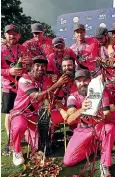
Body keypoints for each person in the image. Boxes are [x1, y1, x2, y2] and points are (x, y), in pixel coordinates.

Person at [9, 56, 69, 166]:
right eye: (38, 65)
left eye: (43, 66)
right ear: (32, 67)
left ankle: (27, 134)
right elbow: (36, 97)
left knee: (41, 147)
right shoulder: (24, 79)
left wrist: (57, 86)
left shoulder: (46, 79)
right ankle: (16, 150)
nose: (41, 68)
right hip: (20, 113)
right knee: (19, 126)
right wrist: (57, 84)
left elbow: (51, 97)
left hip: (35, 115)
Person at [64, 69, 115, 177]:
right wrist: (82, 110)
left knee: (110, 128)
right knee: (68, 161)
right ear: (75, 83)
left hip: (99, 126)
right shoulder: (73, 97)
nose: (82, 83)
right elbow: (69, 120)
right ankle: (94, 147)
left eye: (85, 80)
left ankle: (105, 165)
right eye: (79, 81)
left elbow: (108, 117)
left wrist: (102, 116)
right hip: (82, 129)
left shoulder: (102, 93)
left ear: (91, 81)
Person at [1, 24, 32, 154]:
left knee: (24, 111)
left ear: (19, 35)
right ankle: (11, 140)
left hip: (23, 87)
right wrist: (10, 71)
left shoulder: (24, 48)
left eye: (14, 33)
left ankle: (22, 134)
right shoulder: (1, 50)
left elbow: (30, 65)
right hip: (9, 87)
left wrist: (30, 62)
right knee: (9, 113)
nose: (12, 36)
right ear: (5, 35)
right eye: (9, 33)